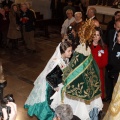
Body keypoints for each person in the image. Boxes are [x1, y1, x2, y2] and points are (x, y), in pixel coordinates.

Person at [50, 19, 103, 120]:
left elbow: (72, 68)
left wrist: (65, 78)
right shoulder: (87, 50)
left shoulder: (81, 51)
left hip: (77, 92)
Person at [24, 41, 73, 120]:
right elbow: (48, 76)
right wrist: (55, 86)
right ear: (63, 51)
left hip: (59, 84)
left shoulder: (66, 59)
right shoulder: (56, 62)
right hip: (51, 87)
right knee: (50, 106)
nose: (71, 52)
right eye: (69, 51)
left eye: (71, 50)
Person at [103, 18, 120, 102]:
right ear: (114, 26)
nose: (119, 29)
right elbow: (106, 44)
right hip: (109, 61)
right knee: (107, 80)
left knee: (116, 83)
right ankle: (108, 96)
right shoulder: (110, 33)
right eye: (117, 27)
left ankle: (114, 99)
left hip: (117, 64)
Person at [91, 27, 108, 99]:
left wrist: (95, 66)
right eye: (94, 34)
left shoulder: (103, 47)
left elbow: (104, 62)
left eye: (97, 35)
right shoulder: (87, 46)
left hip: (98, 73)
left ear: (100, 37)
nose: (95, 37)